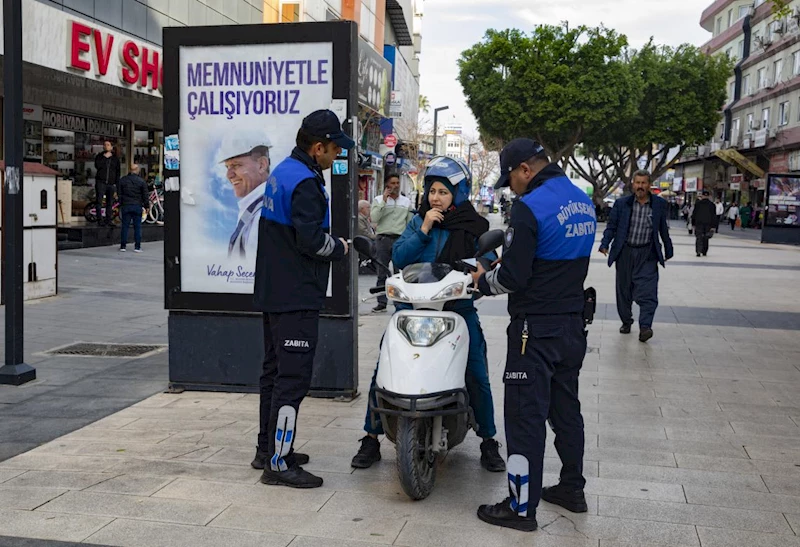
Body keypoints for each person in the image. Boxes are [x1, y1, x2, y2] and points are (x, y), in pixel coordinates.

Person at [470, 139, 595, 532]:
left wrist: (482, 282)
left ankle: (521, 509)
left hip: (534, 330)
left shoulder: (530, 208)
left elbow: (512, 277)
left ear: (525, 169)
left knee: (525, 416)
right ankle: (572, 489)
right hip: (572, 324)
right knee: (565, 410)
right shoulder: (581, 199)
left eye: (511, 177)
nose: (512, 187)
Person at [351, 156, 505, 473]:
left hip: (456, 309)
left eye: (443, 192)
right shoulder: (416, 220)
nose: (436, 197)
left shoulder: (473, 225)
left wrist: (482, 268)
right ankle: (371, 437)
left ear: (458, 194)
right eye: (432, 191)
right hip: (411, 309)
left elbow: (486, 256)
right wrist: (423, 228)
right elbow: (400, 256)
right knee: (383, 367)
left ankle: (489, 441)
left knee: (476, 370)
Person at [251, 110, 354, 489]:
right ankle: (278, 463)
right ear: (317, 147)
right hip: (296, 294)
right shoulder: (307, 184)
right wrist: (342, 248)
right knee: (292, 380)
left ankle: (267, 448)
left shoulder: (284, 170)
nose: (335, 156)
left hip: (274, 292)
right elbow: (311, 242)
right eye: (333, 149)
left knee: (274, 374)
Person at [599, 170, 673, 343]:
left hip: (647, 254)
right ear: (632, 184)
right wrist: (604, 243)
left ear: (649, 185)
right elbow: (612, 226)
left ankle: (645, 327)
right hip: (625, 252)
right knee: (624, 291)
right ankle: (626, 321)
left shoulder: (659, 204)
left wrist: (668, 249)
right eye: (637, 183)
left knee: (648, 291)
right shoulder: (622, 204)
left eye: (644, 183)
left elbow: (663, 228)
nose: (640, 186)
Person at [217, 132, 272, 259]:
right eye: (227, 167)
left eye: (236, 165)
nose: (229, 175)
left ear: (262, 165)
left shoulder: (261, 215)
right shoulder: (258, 206)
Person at [371, 172, 413, 312]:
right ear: (387, 185)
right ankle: (381, 302)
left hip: (399, 240)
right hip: (383, 239)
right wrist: (384, 199)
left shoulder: (406, 202)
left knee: (399, 273)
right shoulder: (378, 200)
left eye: (397, 183)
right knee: (381, 272)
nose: (395, 186)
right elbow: (374, 218)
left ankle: (399, 302)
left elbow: (409, 223)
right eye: (392, 183)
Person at [118, 163, 148, 253]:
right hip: (137, 206)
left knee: (125, 227)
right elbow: (145, 195)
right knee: (137, 227)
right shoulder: (141, 181)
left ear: (130, 170)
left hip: (126, 205)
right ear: (137, 170)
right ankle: (137, 247)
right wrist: (147, 206)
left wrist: (121, 203)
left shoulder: (123, 180)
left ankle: (123, 246)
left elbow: (119, 194)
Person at [94, 141, 120, 226]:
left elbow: (117, 171)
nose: (106, 146)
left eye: (108, 145)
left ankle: (108, 219)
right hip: (101, 182)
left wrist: (116, 184)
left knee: (110, 202)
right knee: (99, 201)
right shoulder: (99, 156)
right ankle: (99, 219)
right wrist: (105, 158)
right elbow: (97, 166)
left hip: (111, 183)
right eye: (104, 145)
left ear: (111, 147)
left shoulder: (115, 158)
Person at [692, 190, 717, 257]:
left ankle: (698, 251)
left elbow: (694, 214)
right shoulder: (712, 205)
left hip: (699, 223)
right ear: (708, 196)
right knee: (706, 237)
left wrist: (693, 223)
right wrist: (714, 226)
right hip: (708, 223)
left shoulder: (698, 204)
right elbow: (714, 216)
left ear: (702, 196)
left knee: (699, 237)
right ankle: (704, 251)